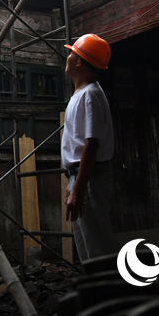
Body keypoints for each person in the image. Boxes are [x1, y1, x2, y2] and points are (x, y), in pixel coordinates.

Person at [61, 33, 115, 262]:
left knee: (97, 249)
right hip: (81, 176)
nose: (68, 55)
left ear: (79, 61)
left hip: (90, 177)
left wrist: (79, 188)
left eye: (72, 52)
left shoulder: (90, 94)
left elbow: (91, 145)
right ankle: (99, 293)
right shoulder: (81, 94)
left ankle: (110, 294)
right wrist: (72, 183)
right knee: (87, 249)